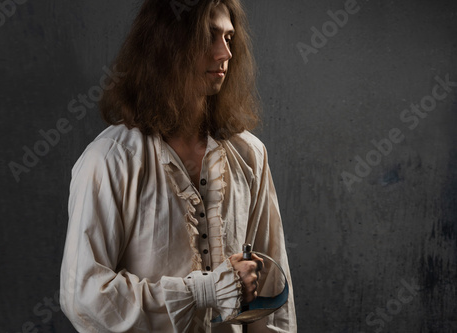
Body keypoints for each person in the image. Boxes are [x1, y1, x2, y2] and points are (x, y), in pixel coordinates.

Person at [59, 0, 297, 332]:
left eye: (229, 38)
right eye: (209, 36)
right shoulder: (110, 159)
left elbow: (272, 295)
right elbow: (84, 295)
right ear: (167, 43)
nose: (224, 53)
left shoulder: (250, 155)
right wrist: (203, 291)